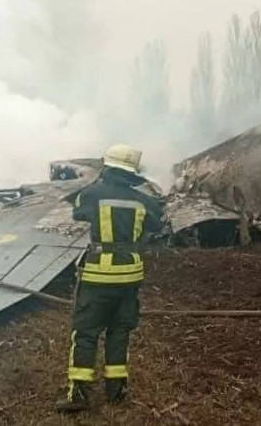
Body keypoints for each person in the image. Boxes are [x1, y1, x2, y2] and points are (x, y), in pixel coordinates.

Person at [55, 144, 165, 413]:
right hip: (130, 277)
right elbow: (157, 223)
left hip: (98, 277)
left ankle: (78, 394)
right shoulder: (145, 201)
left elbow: (78, 212)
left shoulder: (91, 194)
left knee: (85, 332)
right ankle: (116, 391)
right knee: (119, 332)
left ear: (107, 166)